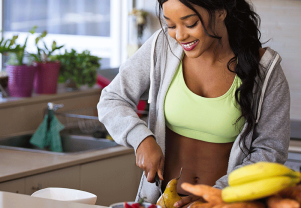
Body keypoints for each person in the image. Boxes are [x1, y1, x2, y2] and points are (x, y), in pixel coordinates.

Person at [97, 0, 290, 207]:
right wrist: (141, 138)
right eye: (171, 25)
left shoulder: (264, 69)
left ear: (220, 13)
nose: (179, 36)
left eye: (190, 24)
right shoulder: (162, 46)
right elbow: (112, 98)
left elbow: (271, 149)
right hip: (162, 201)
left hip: (223, 204)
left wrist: (215, 195)